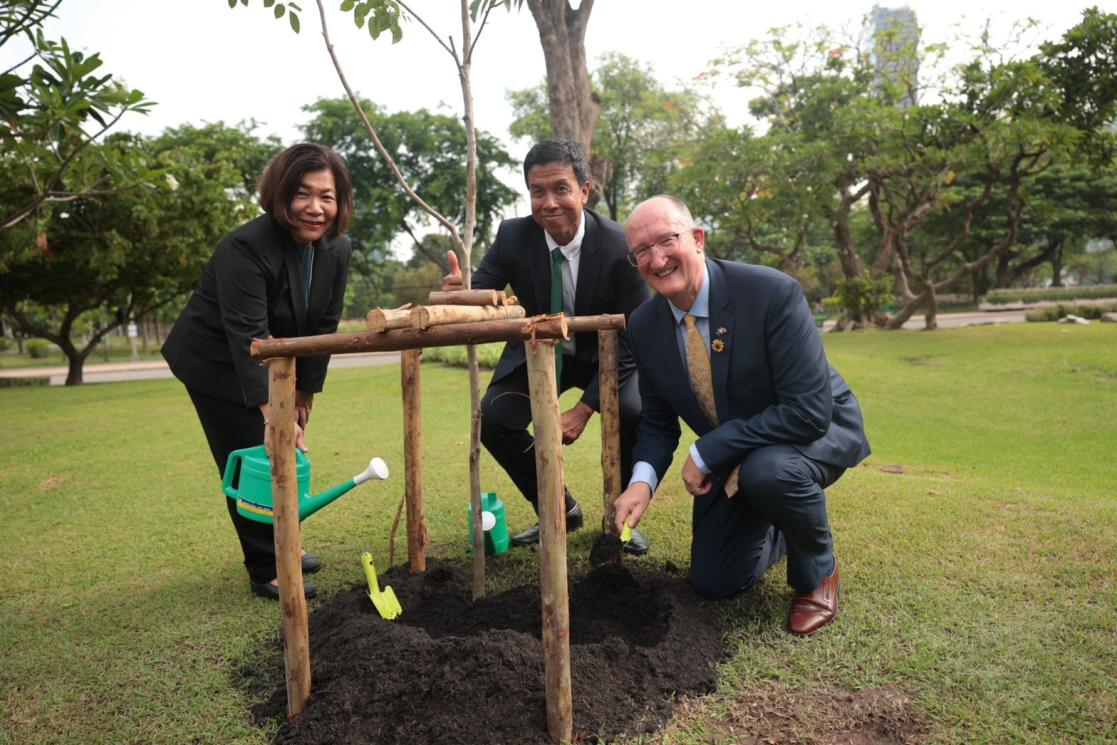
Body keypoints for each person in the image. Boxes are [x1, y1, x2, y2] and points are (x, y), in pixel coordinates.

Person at [613, 196, 871, 635]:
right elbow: (657, 421)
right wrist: (641, 482)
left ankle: (818, 573)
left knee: (769, 471)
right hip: (738, 452)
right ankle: (788, 528)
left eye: (666, 240)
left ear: (697, 239)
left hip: (814, 429)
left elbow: (808, 412)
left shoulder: (772, 292)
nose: (656, 259)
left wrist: (709, 449)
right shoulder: (643, 324)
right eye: (641, 251)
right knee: (715, 582)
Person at [162, 143, 353, 601]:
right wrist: (274, 414)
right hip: (216, 361)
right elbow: (248, 335)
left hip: (272, 360)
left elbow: (324, 324)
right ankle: (266, 566)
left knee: (286, 452)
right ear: (280, 195)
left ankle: (285, 543)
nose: (315, 208)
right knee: (256, 456)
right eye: (302, 195)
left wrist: (305, 392)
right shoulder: (246, 247)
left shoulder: (337, 248)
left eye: (326, 197)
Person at [442, 139, 651, 553]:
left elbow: (635, 336)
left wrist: (584, 408)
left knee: (631, 412)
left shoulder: (618, 246)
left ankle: (622, 517)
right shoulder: (512, 236)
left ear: (585, 191)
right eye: (538, 191)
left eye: (561, 188)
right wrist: (460, 295)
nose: (549, 202)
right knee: (493, 417)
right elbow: (482, 293)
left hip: (604, 359)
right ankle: (558, 508)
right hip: (540, 355)